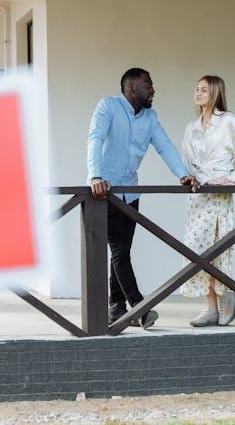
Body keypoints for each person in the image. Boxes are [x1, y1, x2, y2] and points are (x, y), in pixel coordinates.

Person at [87, 67, 199, 329]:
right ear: (131, 88)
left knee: (121, 252)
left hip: (131, 193)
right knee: (119, 250)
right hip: (105, 192)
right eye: (148, 84)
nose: (153, 89)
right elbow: (95, 138)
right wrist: (95, 176)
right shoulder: (108, 107)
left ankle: (116, 309)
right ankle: (140, 307)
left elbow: (164, 145)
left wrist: (183, 174)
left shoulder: (150, 117)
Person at [180, 75, 235, 327]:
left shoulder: (228, 121)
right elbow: (187, 160)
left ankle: (226, 296)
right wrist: (193, 178)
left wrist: (233, 178)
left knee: (219, 248)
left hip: (220, 193)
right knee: (196, 250)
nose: (197, 93)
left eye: (202, 89)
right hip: (199, 194)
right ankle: (211, 307)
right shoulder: (191, 127)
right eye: (195, 88)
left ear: (214, 93)